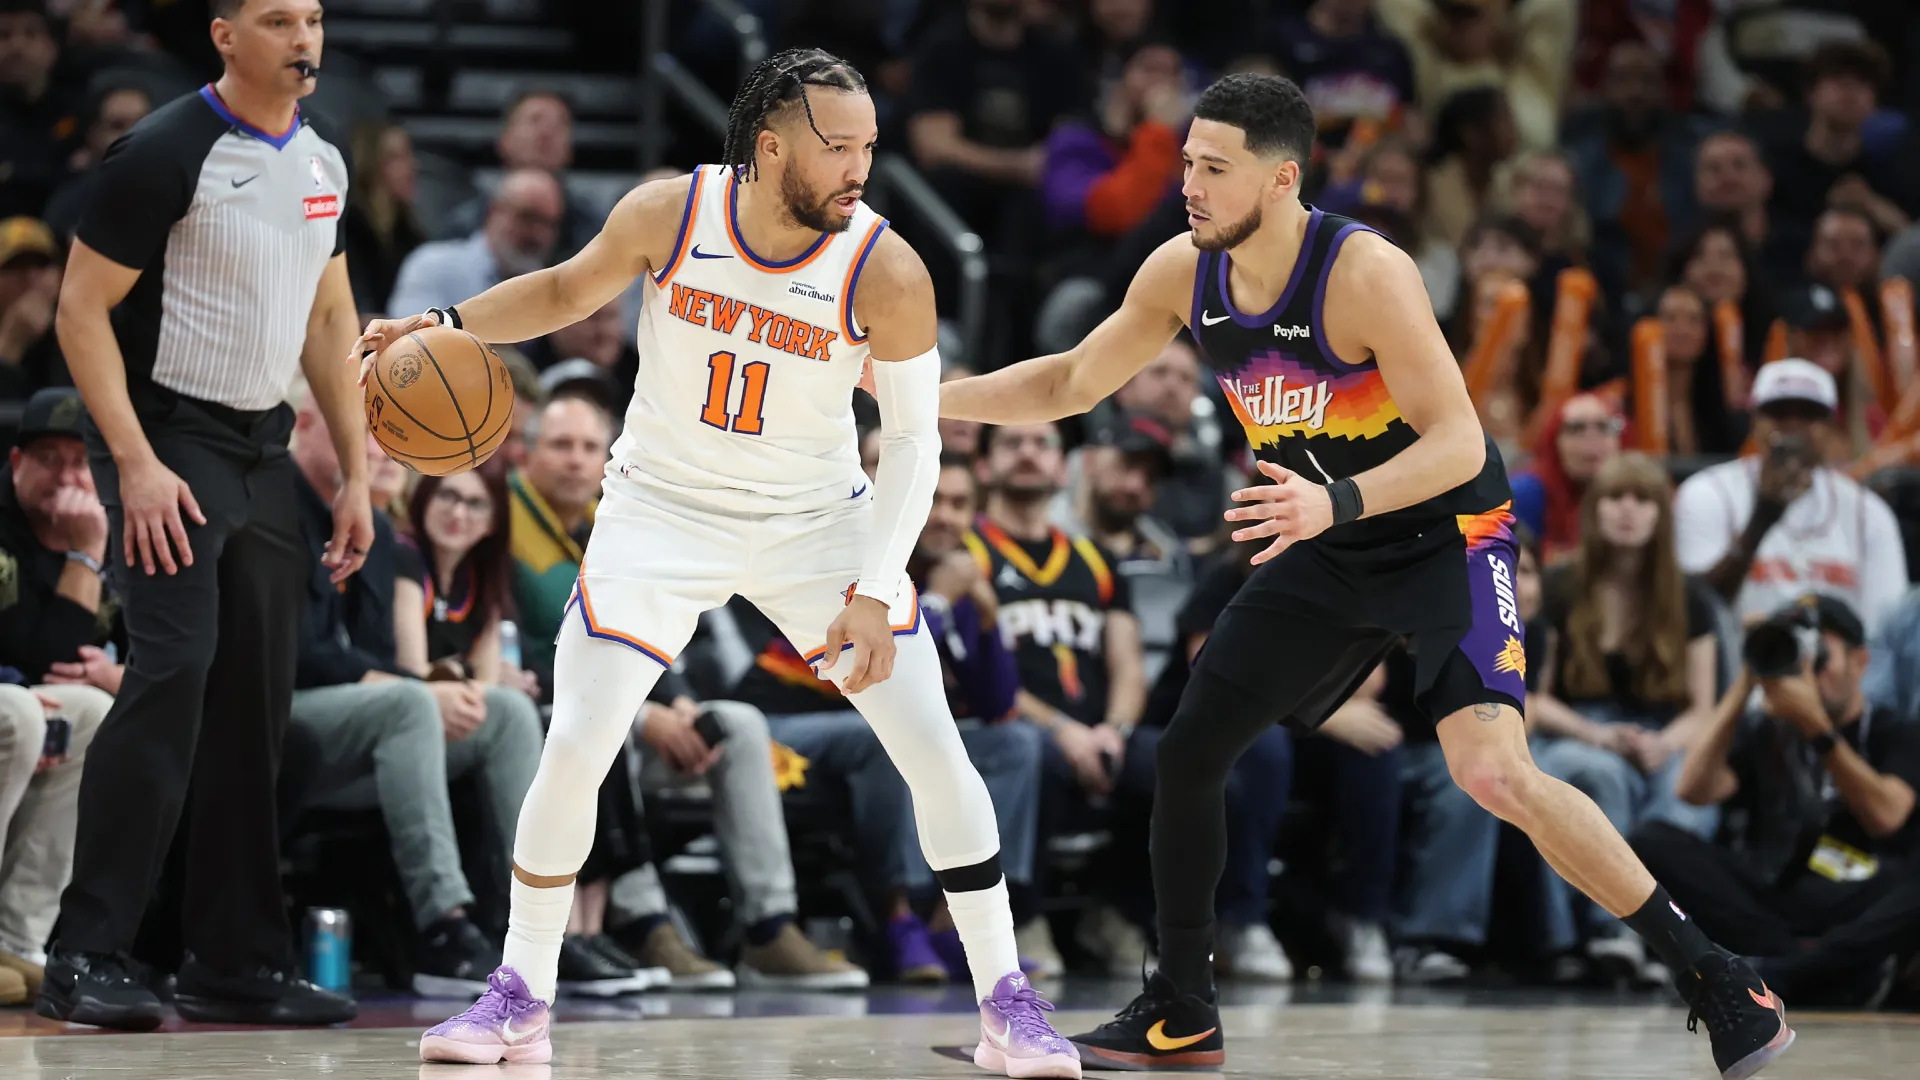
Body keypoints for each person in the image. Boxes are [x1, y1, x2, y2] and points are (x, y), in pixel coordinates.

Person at [939, 72, 1794, 1078]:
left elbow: (1461, 440)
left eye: (1216, 169)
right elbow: (1071, 379)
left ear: (1283, 177)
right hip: (1331, 540)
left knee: (1493, 773)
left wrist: (1331, 503)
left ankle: (1717, 974)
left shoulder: (1364, 273)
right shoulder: (1183, 270)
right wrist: (917, 395)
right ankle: (1181, 1010)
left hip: (1449, 532)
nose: (1192, 187)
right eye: (1188, 165)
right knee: (1189, 750)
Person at [353, 48, 1077, 1075]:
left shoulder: (889, 267)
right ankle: (519, 993)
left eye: (869, 147)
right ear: (772, 145)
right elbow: (563, 288)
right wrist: (442, 322)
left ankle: (1008, 1001)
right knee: (578, 745)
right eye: (839, 148)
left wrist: (875, 591)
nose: (859, 168)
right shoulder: (670, 214)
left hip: (816, 522)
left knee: (935, 751)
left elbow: (916, 445)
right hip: (661, 509)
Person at [39, 0, 368, 1030]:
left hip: (265, 445)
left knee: (251, 702)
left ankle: (234, 960)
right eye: (278, 19)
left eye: (312, 18)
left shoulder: (323, 163)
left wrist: (354, 473)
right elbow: (78, 309)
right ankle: (84, 952)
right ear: (226, 34)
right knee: (173, 673)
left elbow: (329, 316)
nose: (303, 38)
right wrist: (131, 462)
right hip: (166, 433)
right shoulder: (168, 147)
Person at [283, 392, 542, 998]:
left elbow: (381, 660)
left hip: (363, 723)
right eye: (367, 432)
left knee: (507, 711)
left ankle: (528, 926)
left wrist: (425, 690)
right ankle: (443, 925)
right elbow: (300, 652)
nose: (377, 450)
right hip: (286, 715)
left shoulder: (378, 542)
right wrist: (417, 690)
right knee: (409, 704)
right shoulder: (283, 510)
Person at [1647, 595, 1920, 1009]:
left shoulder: (1893, 730)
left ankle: (1781, 973)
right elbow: (1692, 789)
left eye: (1822, 656)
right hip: (1772, 897)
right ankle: (1815, 969)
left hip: (1862, 894)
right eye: (1798, 654)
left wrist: (1816, 726)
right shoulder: (1766, 728)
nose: (1810, 671)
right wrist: (1746, 680)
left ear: (1860, 662)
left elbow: (1888, 817)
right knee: (1652, 840)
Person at [1529, 452, 1723, 983]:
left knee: (1681, 798)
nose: (1628, 511)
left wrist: (1664, 746)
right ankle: (1609, 933)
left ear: (1662, 514)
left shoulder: (1690, 598)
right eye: (1615, 498)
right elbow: (1535, 699)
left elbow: (1704, 710)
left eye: (1642, 500)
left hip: (1666, 730)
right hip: (1578, 725)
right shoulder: (1564, 586)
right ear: (1596, 510)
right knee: (1596, 776)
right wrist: (1597, 734)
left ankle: (1674, 947)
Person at [1673, 359, 1907, 638]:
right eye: (1779, 413)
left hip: (1835, 677)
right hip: (1737, 674)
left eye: (1808, 415)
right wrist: (1761, 518)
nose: (1793, 426)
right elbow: (1696, 613)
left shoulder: (1867, 512)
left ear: (1830, 426)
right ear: (1754, 421)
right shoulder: (1708, 493)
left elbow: (1886, 632)